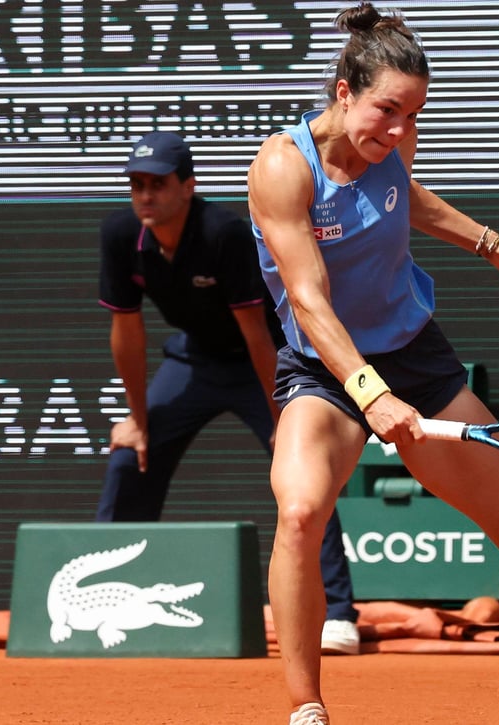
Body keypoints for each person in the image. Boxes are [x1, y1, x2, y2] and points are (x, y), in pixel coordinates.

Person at [246, 4, 499, 724]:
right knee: (302, 509)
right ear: (344, 89)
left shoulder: (388, 144)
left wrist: (490, 244)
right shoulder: (282, 168)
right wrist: (369, 393)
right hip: (324, 371)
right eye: (387, 111)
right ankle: (306, 707)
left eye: (413, 115)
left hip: (417, 360)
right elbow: (309, 302)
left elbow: (406, 199)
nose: (400, 131)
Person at [95, 130, 361, 656]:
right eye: (136, 184)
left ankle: (336, 615)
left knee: (301, 476)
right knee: (131, 456)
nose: (144, 195)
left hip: (266, 360)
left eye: (157, 183)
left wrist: (281, 416)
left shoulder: (224, 233)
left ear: (188, 186)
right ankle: (106, 608)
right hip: (193, 359)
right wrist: (138, 418)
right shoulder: (121, 234)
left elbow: (257, 335)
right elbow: (126, 330)